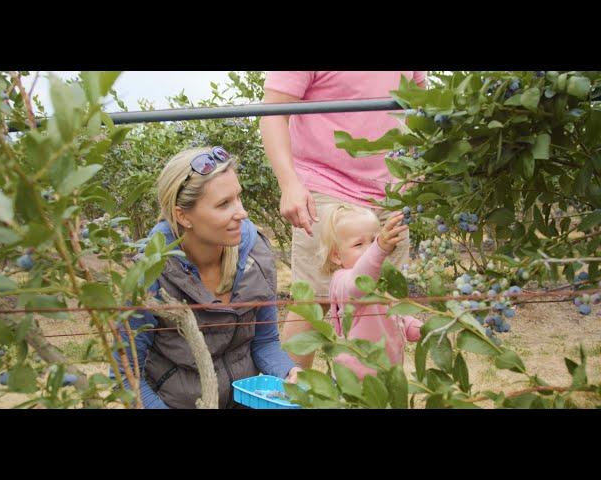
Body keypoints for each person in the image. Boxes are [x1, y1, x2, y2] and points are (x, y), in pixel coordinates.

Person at [260, 71, 427, 369]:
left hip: (391, 193)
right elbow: (272, 112)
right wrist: (289, 184)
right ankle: (287, 397)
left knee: (382, 302)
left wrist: (417, 167)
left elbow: (418, 107)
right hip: (326, 186)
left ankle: (376, 396)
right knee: (313, 301)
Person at [113, 146, 300, 409]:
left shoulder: (255, 254)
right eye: (224, 204)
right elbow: (126, 375)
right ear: (183, 216)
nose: (242, 212)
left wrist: (289, 372)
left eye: (239, 198)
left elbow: (265, 341)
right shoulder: (148, 274)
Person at [318, 203, 422, 379]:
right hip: (355, 381)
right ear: (336, 255)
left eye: (373, 240)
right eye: (358, 244)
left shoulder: (381, 280)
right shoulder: (342, 281)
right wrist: (379, 248)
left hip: (388, 376)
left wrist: (419, 328)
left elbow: (394, 314)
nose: (369, 250)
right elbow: (359, 282)